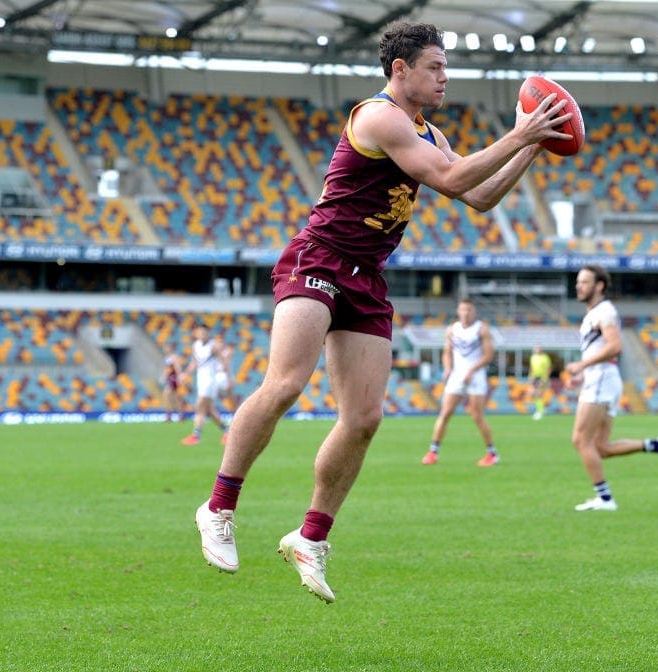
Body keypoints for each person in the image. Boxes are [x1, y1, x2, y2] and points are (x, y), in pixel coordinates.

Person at [194, 21, 575, 602]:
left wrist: (534, 145)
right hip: (318, 258)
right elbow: (450, 176)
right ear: (401, 70)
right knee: (287, 383)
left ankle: (310, 538)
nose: (445, 77)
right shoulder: (378, 116)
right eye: (436, 67)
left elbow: (478, 194)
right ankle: (219, 507)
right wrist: (520, 134)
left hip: (365, 277)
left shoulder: (428, 131)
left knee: (365, 418)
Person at [563, 264, 658, 512]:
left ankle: (605, 499)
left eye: (584, 282)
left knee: (581, 440)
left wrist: (583, 365)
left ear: (599, 286)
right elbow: (600, 351)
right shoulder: (595, 313)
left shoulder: (604, 312)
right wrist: (583, 375)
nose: (578, 286)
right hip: (602, 378)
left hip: (602, 379)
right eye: (578, 282)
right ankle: (657, 445)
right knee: (601, 447)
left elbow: (615, 347)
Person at [422, 298, 499, 466]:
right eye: (463, 310)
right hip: (457, 376)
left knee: (477, 416)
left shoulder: (481, 329)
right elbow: (447, 352)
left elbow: (488, 356)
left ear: (474, 312)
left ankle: (492, 453)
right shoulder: (452, 329)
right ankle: (433, 452)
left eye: (469, 310)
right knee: (445, 413)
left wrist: (471, 371)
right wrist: (448, 368)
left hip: (476, 376)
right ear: (458, 311)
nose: (466, 313)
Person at [181, 326, 232, 446]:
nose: (202, 334)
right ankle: (227, 432)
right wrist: (185, 373)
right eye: (200, 332)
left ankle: (196, 435)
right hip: (201, 379)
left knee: (200, 405)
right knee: (208, 409)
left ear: (208, 333)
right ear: (197, 333)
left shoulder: (213, 346)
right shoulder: (195, 345)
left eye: (204, 332)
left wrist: (225, 373)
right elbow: (194, 362)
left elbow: (223, 360)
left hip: (210, 379)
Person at [160, 342, 186, 422]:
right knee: (174, 397)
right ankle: (178, 415)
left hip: (174, 378)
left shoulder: (174, 357)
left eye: (167, 348)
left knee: (168, 395)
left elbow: (177, 367)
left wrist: (179, 377)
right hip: (170, 378)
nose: (165, 350)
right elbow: (167, 369)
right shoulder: (167, 357)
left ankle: (170, 415)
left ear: (170, 348)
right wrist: (163, 376)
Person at [527, 345, 553, 420]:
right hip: (535, 377)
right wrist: (530, 377)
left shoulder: (545, 357)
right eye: (536, 348)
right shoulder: (533, 357)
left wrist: (546, 378)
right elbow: (532, 368)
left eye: (539, 348)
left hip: (542, 377)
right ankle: (540, 410)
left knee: (538, 393)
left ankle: (540, 411)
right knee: (532, 393)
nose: (537, 350)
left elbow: (549, 368)